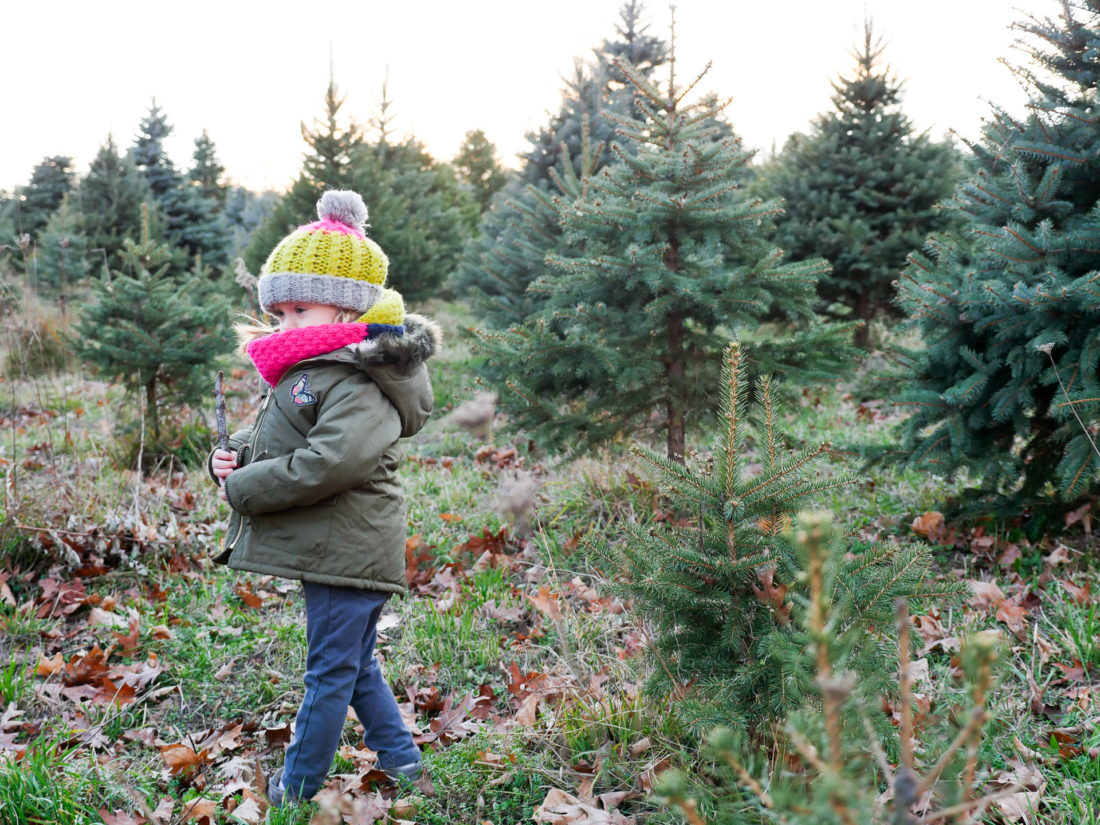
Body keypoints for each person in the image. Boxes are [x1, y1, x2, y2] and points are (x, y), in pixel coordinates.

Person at [208, 190, 440, 808]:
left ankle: (295, 791)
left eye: (300, 309)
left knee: (330, 673)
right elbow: (284, 444)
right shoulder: (318, 367)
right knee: (356, 667)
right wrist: (233, 464)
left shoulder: (357, 377)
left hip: (349, 547)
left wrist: (245, 489)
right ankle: (407, 766)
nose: (285, 324)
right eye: (278, 310)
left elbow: (330, 461)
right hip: (336, 547)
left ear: (344, 310)